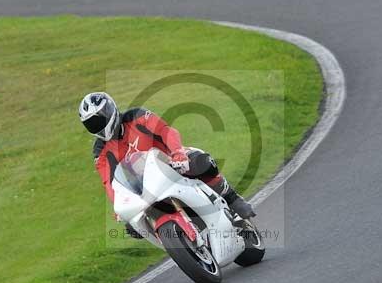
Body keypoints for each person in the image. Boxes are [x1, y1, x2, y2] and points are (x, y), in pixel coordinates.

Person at [79, 92, 255, 238]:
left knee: (202, 163)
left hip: (171, 162)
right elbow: (109, 182)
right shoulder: (100, 150)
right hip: (144, 186)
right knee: (134, 227)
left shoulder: (136, 115)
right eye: (92, 124)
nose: (98, 126)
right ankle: (179, 241)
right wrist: (119, 206)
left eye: (100, 119)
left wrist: (178, 153)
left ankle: (232, 198)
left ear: (111, 110)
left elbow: (165, 130)